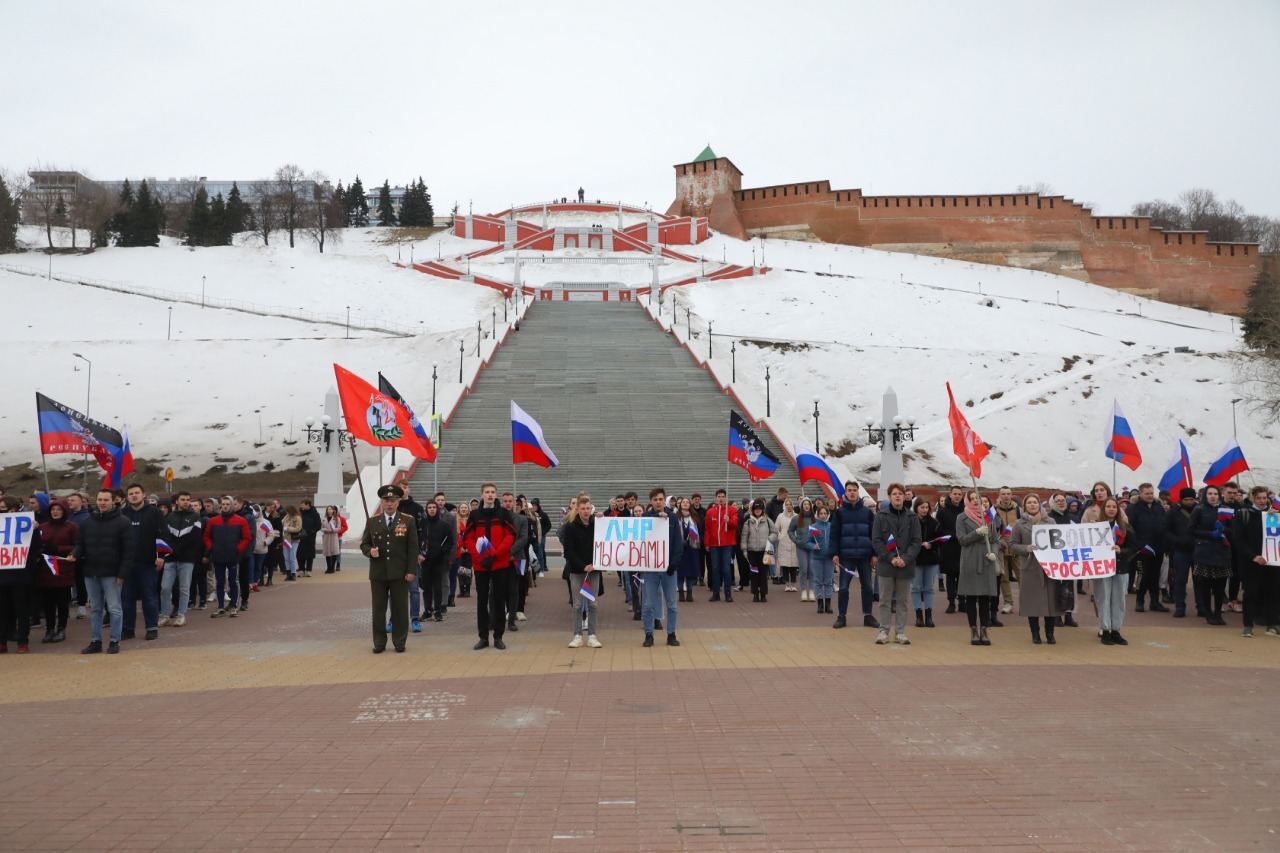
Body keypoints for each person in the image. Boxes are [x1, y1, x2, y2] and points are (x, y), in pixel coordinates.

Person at [71, 489, 133, 654]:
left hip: (112, 573)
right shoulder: (87, 522)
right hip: (91, 572)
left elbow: (128, 551)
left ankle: (114, 640)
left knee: (114, 608)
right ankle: (96, 640)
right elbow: (80, 544)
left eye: (106, 500)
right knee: (96, 609)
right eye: (100, 499)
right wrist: (74, 554)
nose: (102, 502)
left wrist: (122, 574)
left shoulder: (123, 522)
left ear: (113, 501)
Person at [359, 485, 419, 654]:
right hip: (378, 573)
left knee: (400, 609)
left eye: (393, 500)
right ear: (382, 502)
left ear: (398, 502)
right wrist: (370, 551)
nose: (390, 504)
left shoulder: (408, 521)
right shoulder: (373, 521)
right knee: (378, 610)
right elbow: (364, 544)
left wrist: (411, 571)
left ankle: (399, 641)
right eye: (386, 501)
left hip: (400, 573)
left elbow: (413, 548)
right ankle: (379, 641)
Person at [461, 483, 516, 650]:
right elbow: (467, 538)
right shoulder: (475, 515)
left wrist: (495, 555)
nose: (490, 495)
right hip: (480, 565)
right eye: (487, 492)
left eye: (493, 492)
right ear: (482, 495)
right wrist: (479, 557)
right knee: (481, 600)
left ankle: (498, 636)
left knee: (499, 600)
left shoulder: (503, 514)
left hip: (499, 563)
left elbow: (510, 536)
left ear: (496, 495)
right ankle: (483, 637)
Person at [871, 484, 923, 645]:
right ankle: (883, 631)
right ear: (889, 496)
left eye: (900, 493)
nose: (898, 496)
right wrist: (891, 557)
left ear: (905, 496)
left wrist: (905, 559)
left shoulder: (912, 517)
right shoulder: (881, 516)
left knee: (902, 601)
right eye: (894, 494)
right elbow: (877, 540)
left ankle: (900, 632)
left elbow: (916, 542)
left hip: (905, 566)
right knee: (885, 600)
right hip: (887, 565)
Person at [1009, 494, 1061, 644]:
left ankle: (1050, 633)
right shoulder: (1019, 524)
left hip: (1049, 567)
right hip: (1030, 567)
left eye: (1035, 502)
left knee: (1050, 601)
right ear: (1024, 506)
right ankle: (1035, 633)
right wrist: (1026, 548)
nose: (1032, 505)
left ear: (1040, 504)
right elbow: (1012, 545)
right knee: (1032, 602)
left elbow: (1059, 541)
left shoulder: (1050, 522)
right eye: (1029, 503)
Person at [120, 483, 165, 641]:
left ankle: (152, 627)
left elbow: (163, 535)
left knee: (150, 597)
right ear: (127, 497)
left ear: (143, 495)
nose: (134, 495)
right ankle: (127, 629)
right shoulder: (122, 513)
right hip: (127, 564)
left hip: (148, 563)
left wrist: (161, 556)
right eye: (131, 493)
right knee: (127, 599)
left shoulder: (154, 512)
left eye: (137, 493)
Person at [830, 481, 878, 628]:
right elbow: (834, 534)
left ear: (858, 492)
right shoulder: (839, 512)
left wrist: (874, 554)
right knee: (843, 588)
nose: (852, 493)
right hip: (846, 556)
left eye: (854, 490)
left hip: (864, 556)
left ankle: (868, 616)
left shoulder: (867, 512)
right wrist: (835, 553)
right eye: (849, 490)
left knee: (868, 588)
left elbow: (873, 534)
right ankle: (841, 617)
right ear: (845, 493)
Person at [642, 487, 684, 647]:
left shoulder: (672, 518)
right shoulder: (646, 517)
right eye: (655, 500)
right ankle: (648, 634)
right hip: (650, 568)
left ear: (664, 500)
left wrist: (674, 563)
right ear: (651, 501)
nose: (658, 502)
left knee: (672, 604)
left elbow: (678, 543)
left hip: (668, 568)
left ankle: (671, 634)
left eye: (660, 499)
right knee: (648, 604)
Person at [1235, 486, 1280, 637]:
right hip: (1251, 563)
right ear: (1252, 498)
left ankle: (1272, 624)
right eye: (1259, 498)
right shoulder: (1244, 514)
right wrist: (1253, 556)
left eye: (1264, 498)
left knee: (1273, 593)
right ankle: (1248, 625)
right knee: (1251, 594)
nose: (1262, 501)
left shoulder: (1274, 515)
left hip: (1272, 562)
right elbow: (1238, 540)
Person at [957, 490, 1000, 646]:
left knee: (984, 597)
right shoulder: (961, 518)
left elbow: (995, 540)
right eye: (972, 498)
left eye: (978, 498)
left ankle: (984, 629)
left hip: (986, 560)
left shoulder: (988, 517)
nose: (975, 501)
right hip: (970, 560)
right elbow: (962, 540)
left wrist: (994, 552)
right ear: (967, 501)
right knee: (971, 597)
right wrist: (977, 532)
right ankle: (973, 629)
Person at [0, 495, 42, 653]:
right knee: (2, 610)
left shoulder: (27, 525)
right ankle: (2, 641)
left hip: (20, 575)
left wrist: (35, 531)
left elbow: (37, 547)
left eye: (2, 508)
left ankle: (23, 642)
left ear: (12, 510)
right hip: (1, 576)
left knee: (22, 610)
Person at [35, 499, 77, 644]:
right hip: (45, 569)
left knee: (62, 602)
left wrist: (59, 549)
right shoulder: (42, 527)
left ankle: (61, 628)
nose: (56, 512)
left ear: (64, 511)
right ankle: (50, 629)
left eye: (59, 509)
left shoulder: (72, 527)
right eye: (53, 509)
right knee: (47, 602)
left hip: (63, 569)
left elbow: (77, 546)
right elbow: (36, 543)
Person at [562, 494, 602, 648]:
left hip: (594, 571)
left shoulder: (597, 524)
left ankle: (592, 635)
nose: (586, 511)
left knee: (593, 604)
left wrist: (603, 519)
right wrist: (582, 565)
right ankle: (577, 635)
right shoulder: (570, 527)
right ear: (577, 509)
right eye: (583, 509)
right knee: (577, 605)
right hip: (577, 572)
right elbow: (569, 552)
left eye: (588, 508)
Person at [158, 491, 203, 628]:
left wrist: (179, 549)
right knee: (165, 588)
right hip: (171, 558)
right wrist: (172, 550)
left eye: (187, 500)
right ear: (176, 502)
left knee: (184, 588)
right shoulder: (170, 517)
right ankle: (164, 616)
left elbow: (195, 537)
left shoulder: (196, 516)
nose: (185, 502)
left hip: (187, 559)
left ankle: (181, 615)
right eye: (182, 499)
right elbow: (166, 536)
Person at [1189, 485, 1232, 624]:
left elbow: (1234, 530)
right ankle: (1207, 611)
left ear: (1219, 495)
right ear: (1205, 495)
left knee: (1219, 585)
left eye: (1215, 493)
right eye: (1210, 494)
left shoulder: (1226, 509)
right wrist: (1209, 534)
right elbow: (1191, 530)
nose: (1213, 496)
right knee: (1205, 585)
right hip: (1204, 551)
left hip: (1221, 552)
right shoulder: (1199, 509)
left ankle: (1218, 612)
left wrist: (1224, 529)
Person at [204, 496, 251, 617]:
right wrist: (211, 548)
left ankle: (234, 606)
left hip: (233, 556)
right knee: (219, 582)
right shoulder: (214, 521)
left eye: (227, 504)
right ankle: (220, 607)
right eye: (223, 504)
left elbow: (247, 538)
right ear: (220, 505)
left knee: (233, 581)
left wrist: (238, 549)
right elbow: (206, 536)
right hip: (218, 556)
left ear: (231, 505)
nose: (225, 506)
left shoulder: (240, 520)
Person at [1096, 497, 1132, 645]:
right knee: (1103, 598)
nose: (1111, 509)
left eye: (1114, 507)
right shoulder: (1096, 528)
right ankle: (1105, 630)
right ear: (1103, 509)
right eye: (1108, 506)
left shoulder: (1125, 527)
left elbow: (1133, 547)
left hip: (1120, 567)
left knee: (1118, 600)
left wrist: (1121, 550)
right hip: (1102, 568)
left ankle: (1116, 630)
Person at [1128, 483, 1169, 613]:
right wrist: (1138, 546)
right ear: (1140, 494)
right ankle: (1139, 601)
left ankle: (1155, 602)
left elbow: (1164, 526)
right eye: (1147, 493)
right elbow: (1130, 529)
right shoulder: (1132, 509)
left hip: (1158, 548)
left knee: (1155, 576)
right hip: (1142, 549)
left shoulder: (1159, 507)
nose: (1150, 495)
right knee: (1143, 576)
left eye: (1151, 493)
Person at [1164, 487, 1198, 618]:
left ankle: (1201, 606)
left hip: (1197, 550)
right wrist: (1175, 541)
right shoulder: (1173, 511)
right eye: (1186, 499)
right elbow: (1166, 529)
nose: (1189, 502)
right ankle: (1180, 606)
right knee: (1180, 579)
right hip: (1180, 550)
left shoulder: (1199, 509)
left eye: (1191, 499)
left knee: (1199, 580)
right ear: (1181, 499)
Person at [421, 500, 456, 623]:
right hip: (425, 560)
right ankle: (427, 610)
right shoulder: (422, 524)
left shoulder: (444, 525)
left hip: (439, 560)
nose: (431, 509)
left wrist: (442, 551)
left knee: (438, 587)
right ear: (426, 509)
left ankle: (437, 611)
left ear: (437, 509)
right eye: (429, 507)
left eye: (433, 507)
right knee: (426, 587)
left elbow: (450, 540)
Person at [703, 489, 738, 602]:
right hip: (714, 545)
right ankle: (716, 592)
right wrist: (707, 543)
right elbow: (707, 529)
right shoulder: (710, 512)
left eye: (723, 496)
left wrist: (729, 521)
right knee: (715, 569)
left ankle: (728, 593)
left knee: (726, 569)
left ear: (726, 498)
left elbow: (735, 524)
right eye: (719, 496)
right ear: (716, 498)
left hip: (727, 544)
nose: (721, 498)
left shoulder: (731, 510)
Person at [935, 486, 965, 614]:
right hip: (949, 548)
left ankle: (962, 601)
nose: (957, 496)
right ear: (950, 495)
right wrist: (954, 535)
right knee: (951, 576)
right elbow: (939, 531)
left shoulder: (965, 510)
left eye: (959, 494)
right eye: (955, 494)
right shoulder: (942, 512)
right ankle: (951, 602)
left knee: (963, 577)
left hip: (964, 547)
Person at [912, 498, 940, 629]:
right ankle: (918, 614)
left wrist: (932, 544)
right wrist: (917, 545)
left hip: (930, 559)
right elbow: (906, 539)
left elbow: (940, 539)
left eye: (926, 508)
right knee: (916, 587)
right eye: (922, 507)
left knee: (928, 588)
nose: (924, 510)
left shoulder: (934, 523)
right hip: (916, 559)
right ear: (916, 507)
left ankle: (928, 615)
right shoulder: (911, 521)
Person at [741, 499, 775, 603]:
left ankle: (763, 594)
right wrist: (744, 550)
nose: (758, 510)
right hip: (752, 551)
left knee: (763, 574)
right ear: (753, 510)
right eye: (756, 509)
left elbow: (775, 532)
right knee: (754, 573)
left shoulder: (768, 521)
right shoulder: (748, 521)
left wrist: (769, 539)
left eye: (759, 508)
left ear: (762, 510)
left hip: (764, 551)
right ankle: (755, 593)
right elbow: (744, 536)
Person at [992, 487, 1020, 613]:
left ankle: (1026, 601)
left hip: (1016, 548)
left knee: (1022, 576)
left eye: (1008, 494)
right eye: (1003, 494)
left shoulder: (1018, 509)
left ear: (1012, 495)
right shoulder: (993, 510)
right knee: (1004, 577)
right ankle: (1008, 603)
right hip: (1001, 548)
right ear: (999, 495)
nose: (1006, 496)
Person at [788, 498, 819, 602]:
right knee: (803, 569)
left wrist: (817, 542)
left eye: (808, 504)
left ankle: (811, 591)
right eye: (804, 504)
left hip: (812, 548)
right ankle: (804, 591)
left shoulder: (814, 518)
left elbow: (818, 533)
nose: (806, 506)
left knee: (812, 570)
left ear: (810, 506)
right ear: (801, 507)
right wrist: (796, 540)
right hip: (801, 547)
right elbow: (790, 531)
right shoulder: (796, 518)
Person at [675, 498, 703, 602]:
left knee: (691, 572)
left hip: (692, 548)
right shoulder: (675, 517)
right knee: (680, 572)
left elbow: (700, 531)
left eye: (687, 502)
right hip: (679, 549)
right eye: (683, 502)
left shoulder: (695, 518)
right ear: (680, 505)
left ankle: (690, 594)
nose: (685, 503)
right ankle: (681, 593)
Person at [775, 499, 798, 592]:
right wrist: (780, 536)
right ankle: (787, 584)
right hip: (784, 542)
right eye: (787, 504)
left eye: (790, 504)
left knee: (794, 564)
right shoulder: (780, 516)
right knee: (785, 564)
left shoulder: (796, 516)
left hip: (794, 542)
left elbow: (800, 528)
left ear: (792, 506)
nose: (788, 506)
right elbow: (776, 528)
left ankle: (793, 584)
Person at [453, 502, 472, 599]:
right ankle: (461, 589)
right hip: (459, 548)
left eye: (465, 507)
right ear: (459, 509)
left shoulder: (471, 519)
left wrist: (469, 547)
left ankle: (467, 588)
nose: (464, 509)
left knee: (468, 569)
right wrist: (460, 547)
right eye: (462, 507)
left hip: (469, 548)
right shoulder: (455, 520)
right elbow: (456, 535)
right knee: (460, 570)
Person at [281, 505, 303, 580]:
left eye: (288, 511)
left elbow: (298, 528)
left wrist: (287, 528)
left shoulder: (297, 518)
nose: (287, 512)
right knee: (286, 557)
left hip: (294, 539)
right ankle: (288, 573)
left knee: (292, 557)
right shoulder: (286, 517)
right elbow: (281, 524)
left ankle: (293, 573)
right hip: (286, 539)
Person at [321, 506, 344, 575]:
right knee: (327, 552)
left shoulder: (337, 519)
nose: (329, 511)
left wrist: (332, 530)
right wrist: (325, 530)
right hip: (326, 536)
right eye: (328, 509)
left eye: (330, 509)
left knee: (334, 551)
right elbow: (321, 527)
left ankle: (332, 567)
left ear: (333, 510)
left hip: (333, 536)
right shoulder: (323, 519)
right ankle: (328, 567)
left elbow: (339, 527)